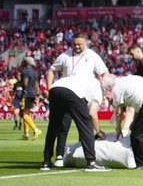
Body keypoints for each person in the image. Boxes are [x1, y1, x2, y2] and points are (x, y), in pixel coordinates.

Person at [46, 33, 108, 167]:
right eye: (74, 44)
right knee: (66, 126)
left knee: (58, 126)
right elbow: (51, 70)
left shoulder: (92, 56)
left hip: (76, 93)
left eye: (79, 44)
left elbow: (105, 72)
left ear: (85, 42)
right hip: (71, 93)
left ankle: (48, 160)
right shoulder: (65, 55)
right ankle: (67, 157)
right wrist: (48, 88)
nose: (76, 46)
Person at [40, 74, 109, 172]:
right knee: (86, 125)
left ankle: (46, 161)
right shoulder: (99, 88)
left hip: (54, 88)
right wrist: (99, 131)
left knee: (53, 126)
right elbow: (92, 113)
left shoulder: (87, 80)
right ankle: (91, 162)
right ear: (108, 87)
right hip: (72, 92)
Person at [105, 73, 143, 169]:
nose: (109, 92)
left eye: (108, 90)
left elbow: (118, 113)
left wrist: (118, 130)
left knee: (136, 135)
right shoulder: (130, 79)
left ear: (109, 85)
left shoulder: (116, 89)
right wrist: (134, 123)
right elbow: (139, 104)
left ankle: (142, 164)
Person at [19, 57, 42, 140]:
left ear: (26, 62)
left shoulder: (25, 71)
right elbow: (36, 84)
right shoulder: (35, 72)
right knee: (27, 114)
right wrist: (37, 94)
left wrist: (20, 82)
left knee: (23, 114)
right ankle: (26, 134)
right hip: (32, 93)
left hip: (26, 93)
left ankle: (36, 129)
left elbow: (25, 83)